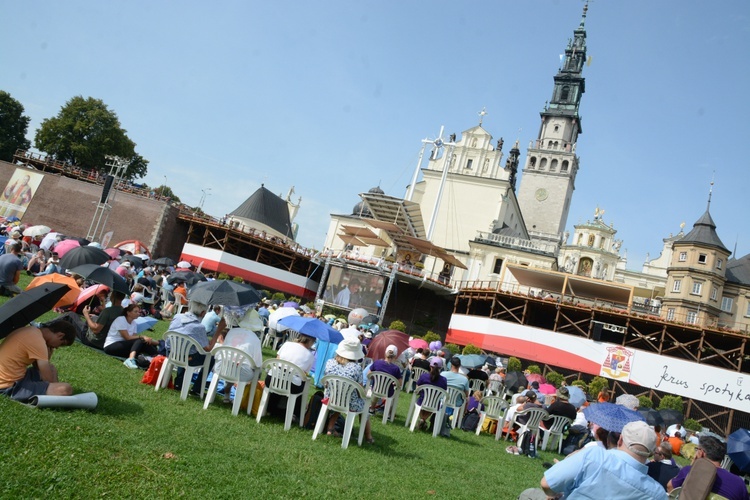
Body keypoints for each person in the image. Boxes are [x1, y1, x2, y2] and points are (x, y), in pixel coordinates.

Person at [541, 420, 667, 499]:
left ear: (620, 440)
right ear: (650, 452)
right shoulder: (657, 494)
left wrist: (554, 496)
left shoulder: (594, 455)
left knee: (530, 493)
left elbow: (547, 484)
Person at [0, 321, 77, 402]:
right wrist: (56, 388)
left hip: (12, 376)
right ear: (60, 335)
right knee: (65, 389)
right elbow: (47, 379)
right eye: (61, 344)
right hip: (8, 386)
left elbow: (37, 367)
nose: (57, 347)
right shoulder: (38, 341)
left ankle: (53, 395)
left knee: (51, 369)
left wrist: (47, 355)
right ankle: (55, 397)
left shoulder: (32, 331)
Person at [322, 338, 373, 444]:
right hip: (349, 402)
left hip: (330, 398)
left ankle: (330, 429)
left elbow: (326, 382)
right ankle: (368, 436)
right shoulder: (356, 368)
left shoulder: (330, 363)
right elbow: (360, 390)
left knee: (342, 398)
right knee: (364, 407)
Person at [667, 435, 749, 500]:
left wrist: (693, 466)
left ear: (701, 453)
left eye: (697, 449)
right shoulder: (739, 483)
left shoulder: (688, 470)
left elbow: (670, 488)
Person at [166, 300, 222, 394]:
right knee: (210, 358)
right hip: (188, 358)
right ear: (203, 313)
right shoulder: (198, 327)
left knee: (185, 349)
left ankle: (179, 383)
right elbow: (208, 348)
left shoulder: (177, 317)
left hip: (171, 352)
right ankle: (197, 389)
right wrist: (217, 332)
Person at [266, 333, 316, 419]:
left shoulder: (286, 344)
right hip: (292, 386)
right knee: (301, 384)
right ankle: (294, 413)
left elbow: (277, 359)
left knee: (282, 380)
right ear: (310, 341)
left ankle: (270, 409)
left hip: (272, 379)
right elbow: (305, 373)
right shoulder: (310, 356)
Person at [103, 304, 159, 368]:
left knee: (143, 342)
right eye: (135, 311)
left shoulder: (134, 323)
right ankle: (130, 359)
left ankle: (158, 356)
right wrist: (142, 336)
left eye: (139, 312)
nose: (138, 313)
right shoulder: (121, 320)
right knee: (140, 340)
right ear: (128, 313)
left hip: (123, 346)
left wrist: (145, 339)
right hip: (111, 346)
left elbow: (133, 340)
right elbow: (127, 337)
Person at [414, 357, 448, 430]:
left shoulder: (424, 376)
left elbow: (417, 389)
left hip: (422, 401)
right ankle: (423, 420)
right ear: (440, 368)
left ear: (430, 366)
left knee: (421, 401)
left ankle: (422, 419)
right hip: (435, 404)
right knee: (433, 404)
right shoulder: (444, 380)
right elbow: (443, 391)